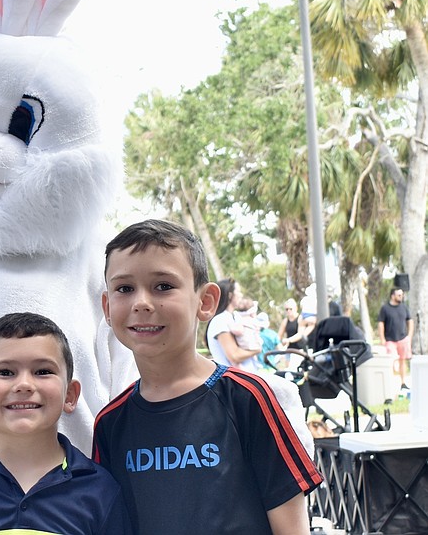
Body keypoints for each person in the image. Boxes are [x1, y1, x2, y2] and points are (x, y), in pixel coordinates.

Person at [94, 219, 322, 534]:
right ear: (107, 307)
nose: (142, 303)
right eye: (124, 288)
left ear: (206, 302)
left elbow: (291, 527)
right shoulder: (109, 424)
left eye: (163, 286)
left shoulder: (248, 398)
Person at [0, 312, 133, 535]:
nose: (24, 384)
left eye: (43, 371)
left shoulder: (99, 489)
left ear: (70, 395)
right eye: (5, 372)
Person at [205, 278, 262, 371]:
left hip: (249, 375)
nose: (241, 295)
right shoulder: (220, 320)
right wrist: (257, 350)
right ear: (230, 295)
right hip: (234, 381)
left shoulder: (235, 316)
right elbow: (234, 356)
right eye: (238, 291)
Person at [378, 287, 414, 391]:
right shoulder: (385, 308)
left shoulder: (404, 307)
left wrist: (409, 336)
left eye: (402, 295)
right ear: (392, 296)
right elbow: (381, 324)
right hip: (390, 340)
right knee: (392, 362)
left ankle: (403, 383)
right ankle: (393, 384)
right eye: (399, 295)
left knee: (402, 361)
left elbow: (410, 321)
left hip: (403, 339)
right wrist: (382, 339)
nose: (401, 297)